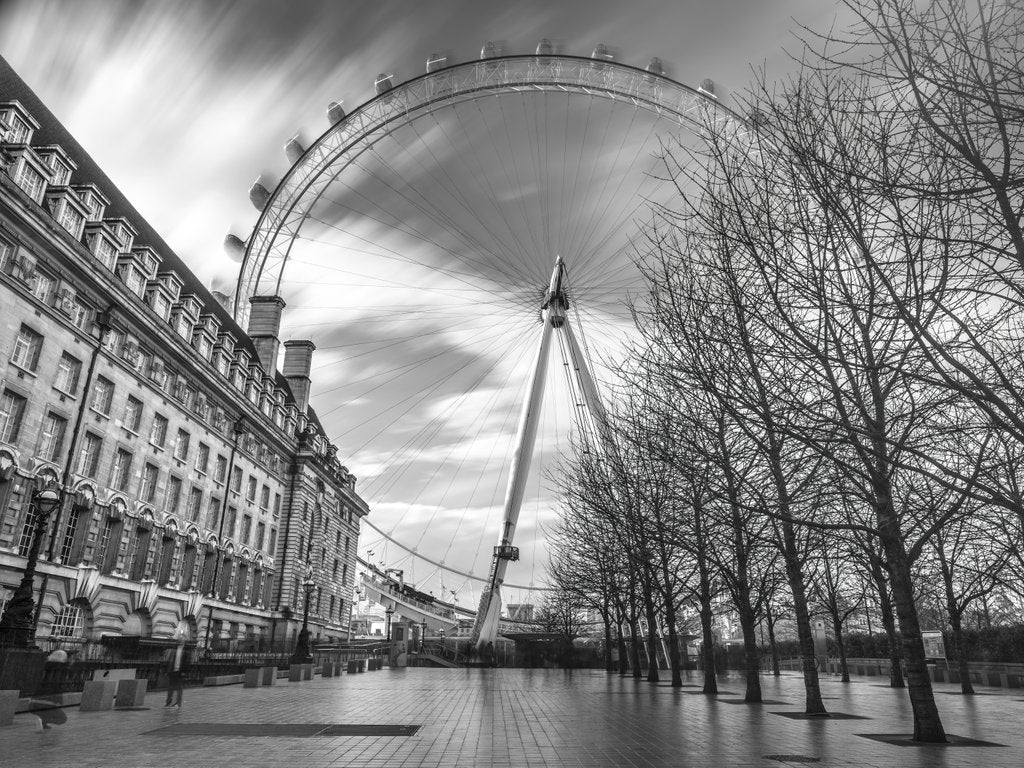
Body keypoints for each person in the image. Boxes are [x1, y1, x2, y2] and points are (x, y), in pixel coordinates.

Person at [164, 640, 188, 708]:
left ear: (184, 642)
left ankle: (178, 704)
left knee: (179, 688)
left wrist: (184, 672)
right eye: (179, 640)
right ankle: (168, 703)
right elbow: (169, 660)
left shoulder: (186, 651)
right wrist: (167, 670)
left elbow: (186, 663)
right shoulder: (174, 649)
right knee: (170, 688)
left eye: (182, 640)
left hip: (180, 672)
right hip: (172, 671)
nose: (180, 641)